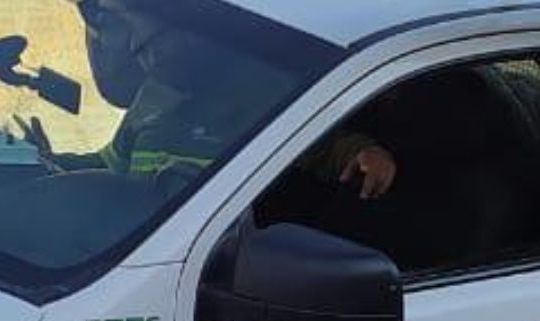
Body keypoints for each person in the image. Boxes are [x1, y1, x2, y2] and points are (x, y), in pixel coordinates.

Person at [76, 0, 398, 198]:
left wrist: (362, 153)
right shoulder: (153, 95)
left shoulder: (260, 90)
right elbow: (111, 166)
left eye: (149, 41)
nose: (138, 52)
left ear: (192, 35)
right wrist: (53, 167)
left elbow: (317, 142)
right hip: (138, 238)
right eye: (132, 39)